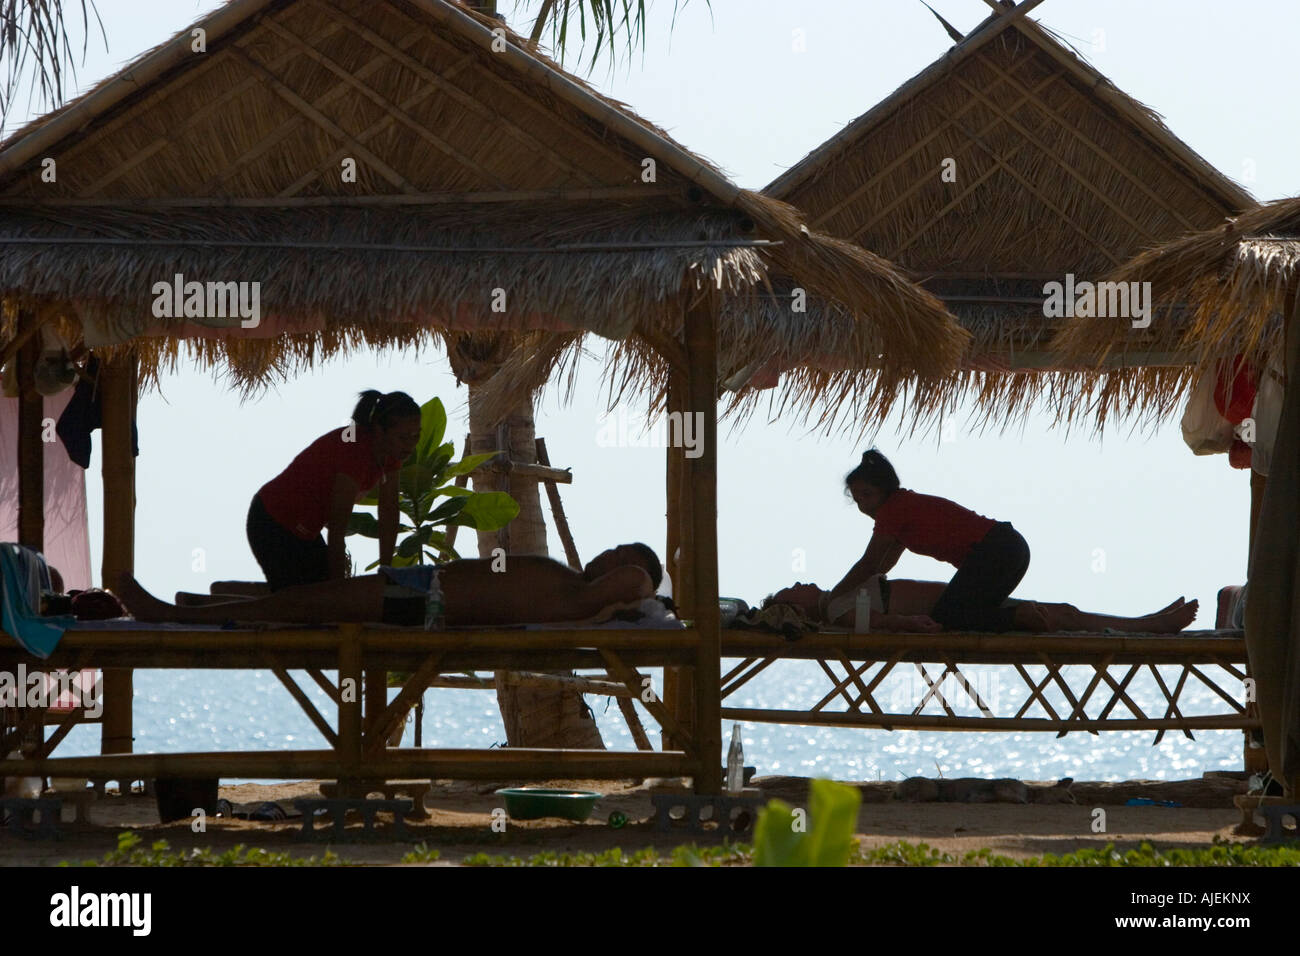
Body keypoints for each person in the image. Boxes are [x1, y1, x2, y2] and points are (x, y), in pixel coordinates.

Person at [113, 544, 663, 629]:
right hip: (423, 586)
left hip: (422, 603)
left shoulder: (580, 597)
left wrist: (641, 574)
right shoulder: (571, 583)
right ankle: (197, 605)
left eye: (621, 558)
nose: (610, 556)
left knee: (302, 604)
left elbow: (640, 579)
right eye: (615, 548)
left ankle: (173, 615)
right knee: (301, 598)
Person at [824, 449, 1035, 633]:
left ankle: (1019, 616)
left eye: (867, 495)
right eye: (858, 500)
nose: (863, 506)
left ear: (884, 489)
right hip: (1010, 547)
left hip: (997, 549)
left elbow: (869, 563)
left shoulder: (893, 510)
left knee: (948, 617)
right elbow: (882, 565)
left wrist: (833, 597)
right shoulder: (903, 507)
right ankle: (1028, 616)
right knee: (971, 611)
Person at [247, 391, 421, 590]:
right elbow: (337, 531)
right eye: (403, 437)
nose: (410, 444)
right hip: (271, 521)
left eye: (416, 435)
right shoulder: (355, 451)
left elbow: (389, 510)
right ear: (379, 431)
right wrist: (339, 592)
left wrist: (386, 570)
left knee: (311, 594)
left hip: (303, 532)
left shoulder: (391, 453)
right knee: (302, 599)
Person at [770, 579, 1198, 634]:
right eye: (792, 589)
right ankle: (1147, 626)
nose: (799, 582)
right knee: (1060, 616)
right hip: (965, 610)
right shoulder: (834, 609)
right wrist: (914, 624)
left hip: (966, 598)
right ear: (795, 608)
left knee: (1063, 611)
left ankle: (1147, 621)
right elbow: (880, 622)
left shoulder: (838, 594)